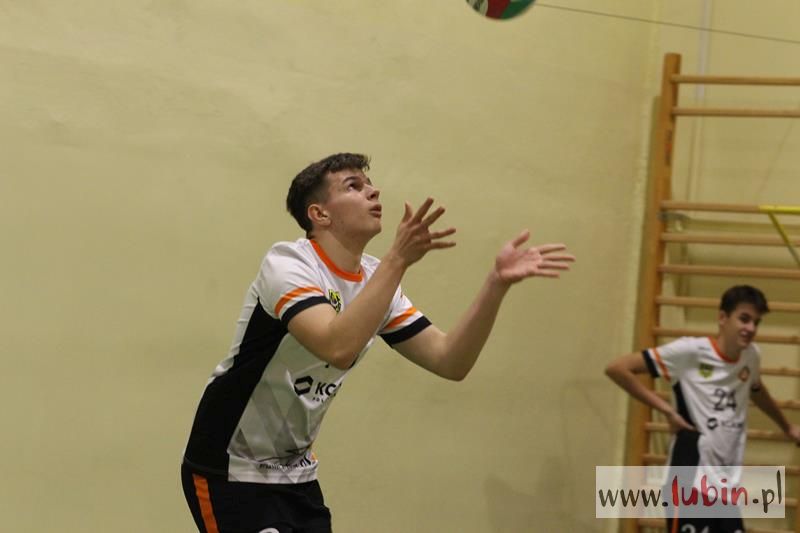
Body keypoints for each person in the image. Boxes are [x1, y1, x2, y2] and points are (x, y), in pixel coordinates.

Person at [181, 152, 575, 533]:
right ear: (319, 214)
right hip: (228, 466)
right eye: (353, 186)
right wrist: (398, 259)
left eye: (370, 184)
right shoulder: (288, 265)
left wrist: (496, 285)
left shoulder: (376, 279)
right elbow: (336, 348)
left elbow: (450, 361)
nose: (373, 191)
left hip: (296, 475)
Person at [605, 285, 800, 533]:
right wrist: (667, 411)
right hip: (689, 479)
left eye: (756, 322)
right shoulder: (690, 351)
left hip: (725, 484)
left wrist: (787, 427)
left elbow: (756, 389)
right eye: (744, 319)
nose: (750, 328)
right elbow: (618, 369)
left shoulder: (750, 356)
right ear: (722, 318)